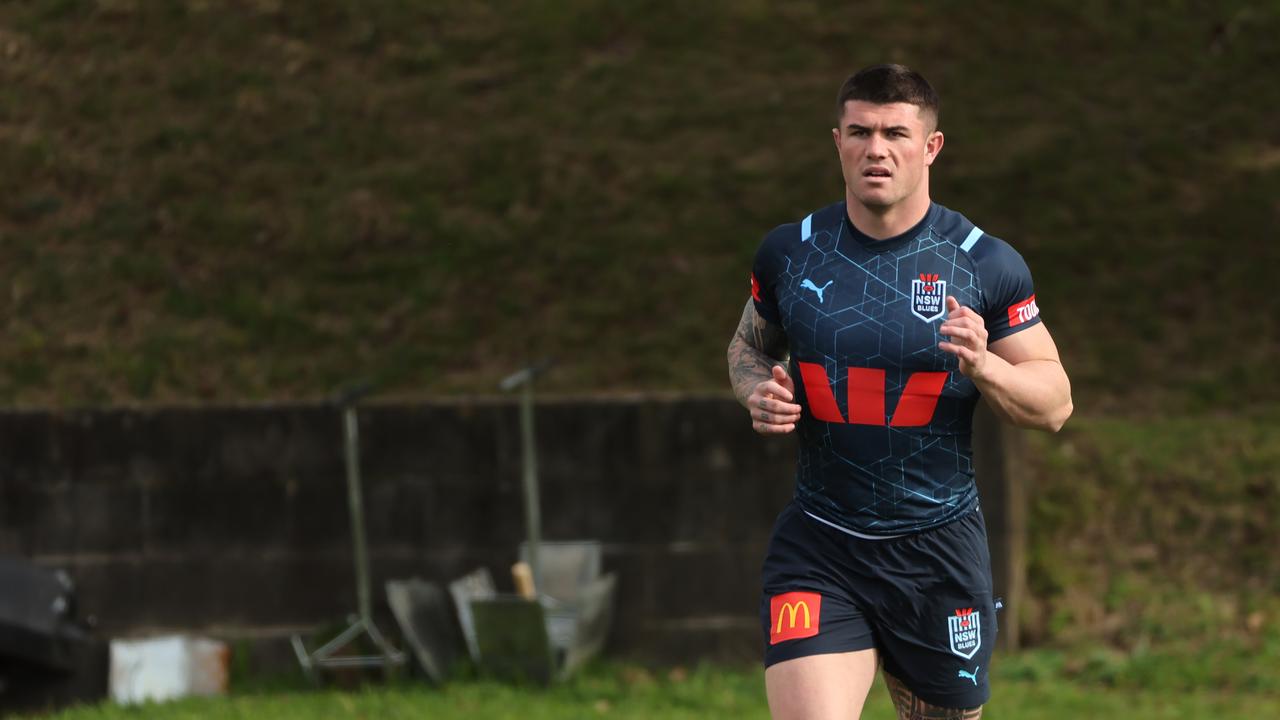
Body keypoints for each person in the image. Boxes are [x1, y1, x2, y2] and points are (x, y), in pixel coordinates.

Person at [726, 64, 1072, 719]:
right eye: (859, 132)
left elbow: (1055, 403)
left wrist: (987, 366)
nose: (875, 149)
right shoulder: (790, 253)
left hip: (936, 553)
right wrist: (754, 392)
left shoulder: (983, 264)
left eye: (894, 133)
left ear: (930, 147)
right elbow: (748, 346)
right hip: (821, 544)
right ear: (837, 142)